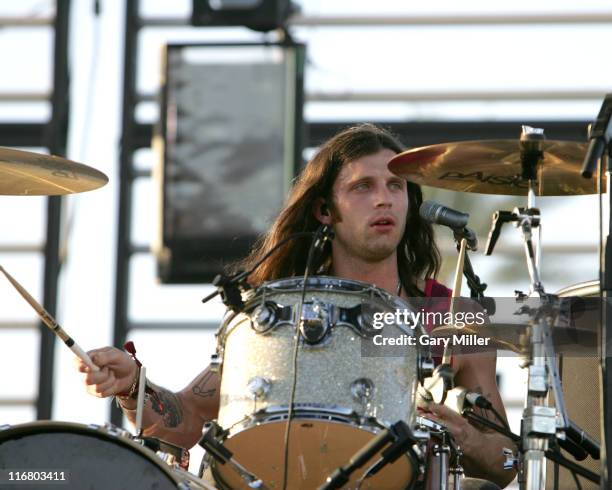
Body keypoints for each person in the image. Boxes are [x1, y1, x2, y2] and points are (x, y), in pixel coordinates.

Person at [77, 124, 517, 488]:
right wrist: (133, 385)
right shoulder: (282, 312)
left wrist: (468, 437)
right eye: (363, 186)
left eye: (395, 186)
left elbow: (504, 461)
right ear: (325, 209)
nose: (384, 198)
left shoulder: (452, 314)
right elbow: (188, 418)